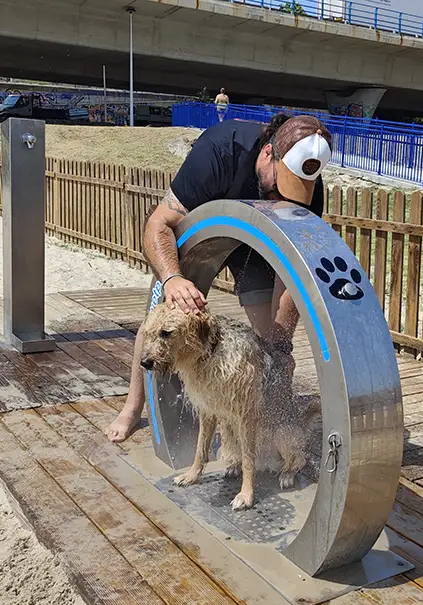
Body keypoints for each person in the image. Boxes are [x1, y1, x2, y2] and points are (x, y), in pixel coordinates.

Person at [105, 113, 333, 443]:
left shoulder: (309, 183)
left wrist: (281, 346)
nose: (281, 201)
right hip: (202, 235)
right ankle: (132, 406)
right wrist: (172, 279)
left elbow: (291, 273)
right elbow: (158, 224)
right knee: (162, 317)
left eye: (293, 195)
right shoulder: (220, 152)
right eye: (278, 188)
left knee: (272, 343)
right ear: (268, 153)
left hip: (255, 246)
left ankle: (267, 422)